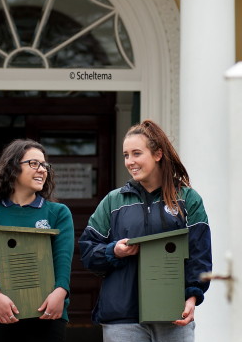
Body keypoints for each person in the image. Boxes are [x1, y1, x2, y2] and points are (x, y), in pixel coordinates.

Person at [79, 119, 212, 342]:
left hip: (172, 315)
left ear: (158, 154)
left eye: (136, 153)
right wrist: (114, 252)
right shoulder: (113, 201)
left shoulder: (188, 199)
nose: (130, 161)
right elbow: (87, 252)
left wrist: (191, 298)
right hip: (121, 319)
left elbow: (199, 255)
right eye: (126, 155)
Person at [0, 139, 74, 342]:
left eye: (44, 165)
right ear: (12, 168)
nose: (42, 170)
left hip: (48, 313)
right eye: (33, 163)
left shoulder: (58, 213)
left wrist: (60, 292)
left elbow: (63, 259)